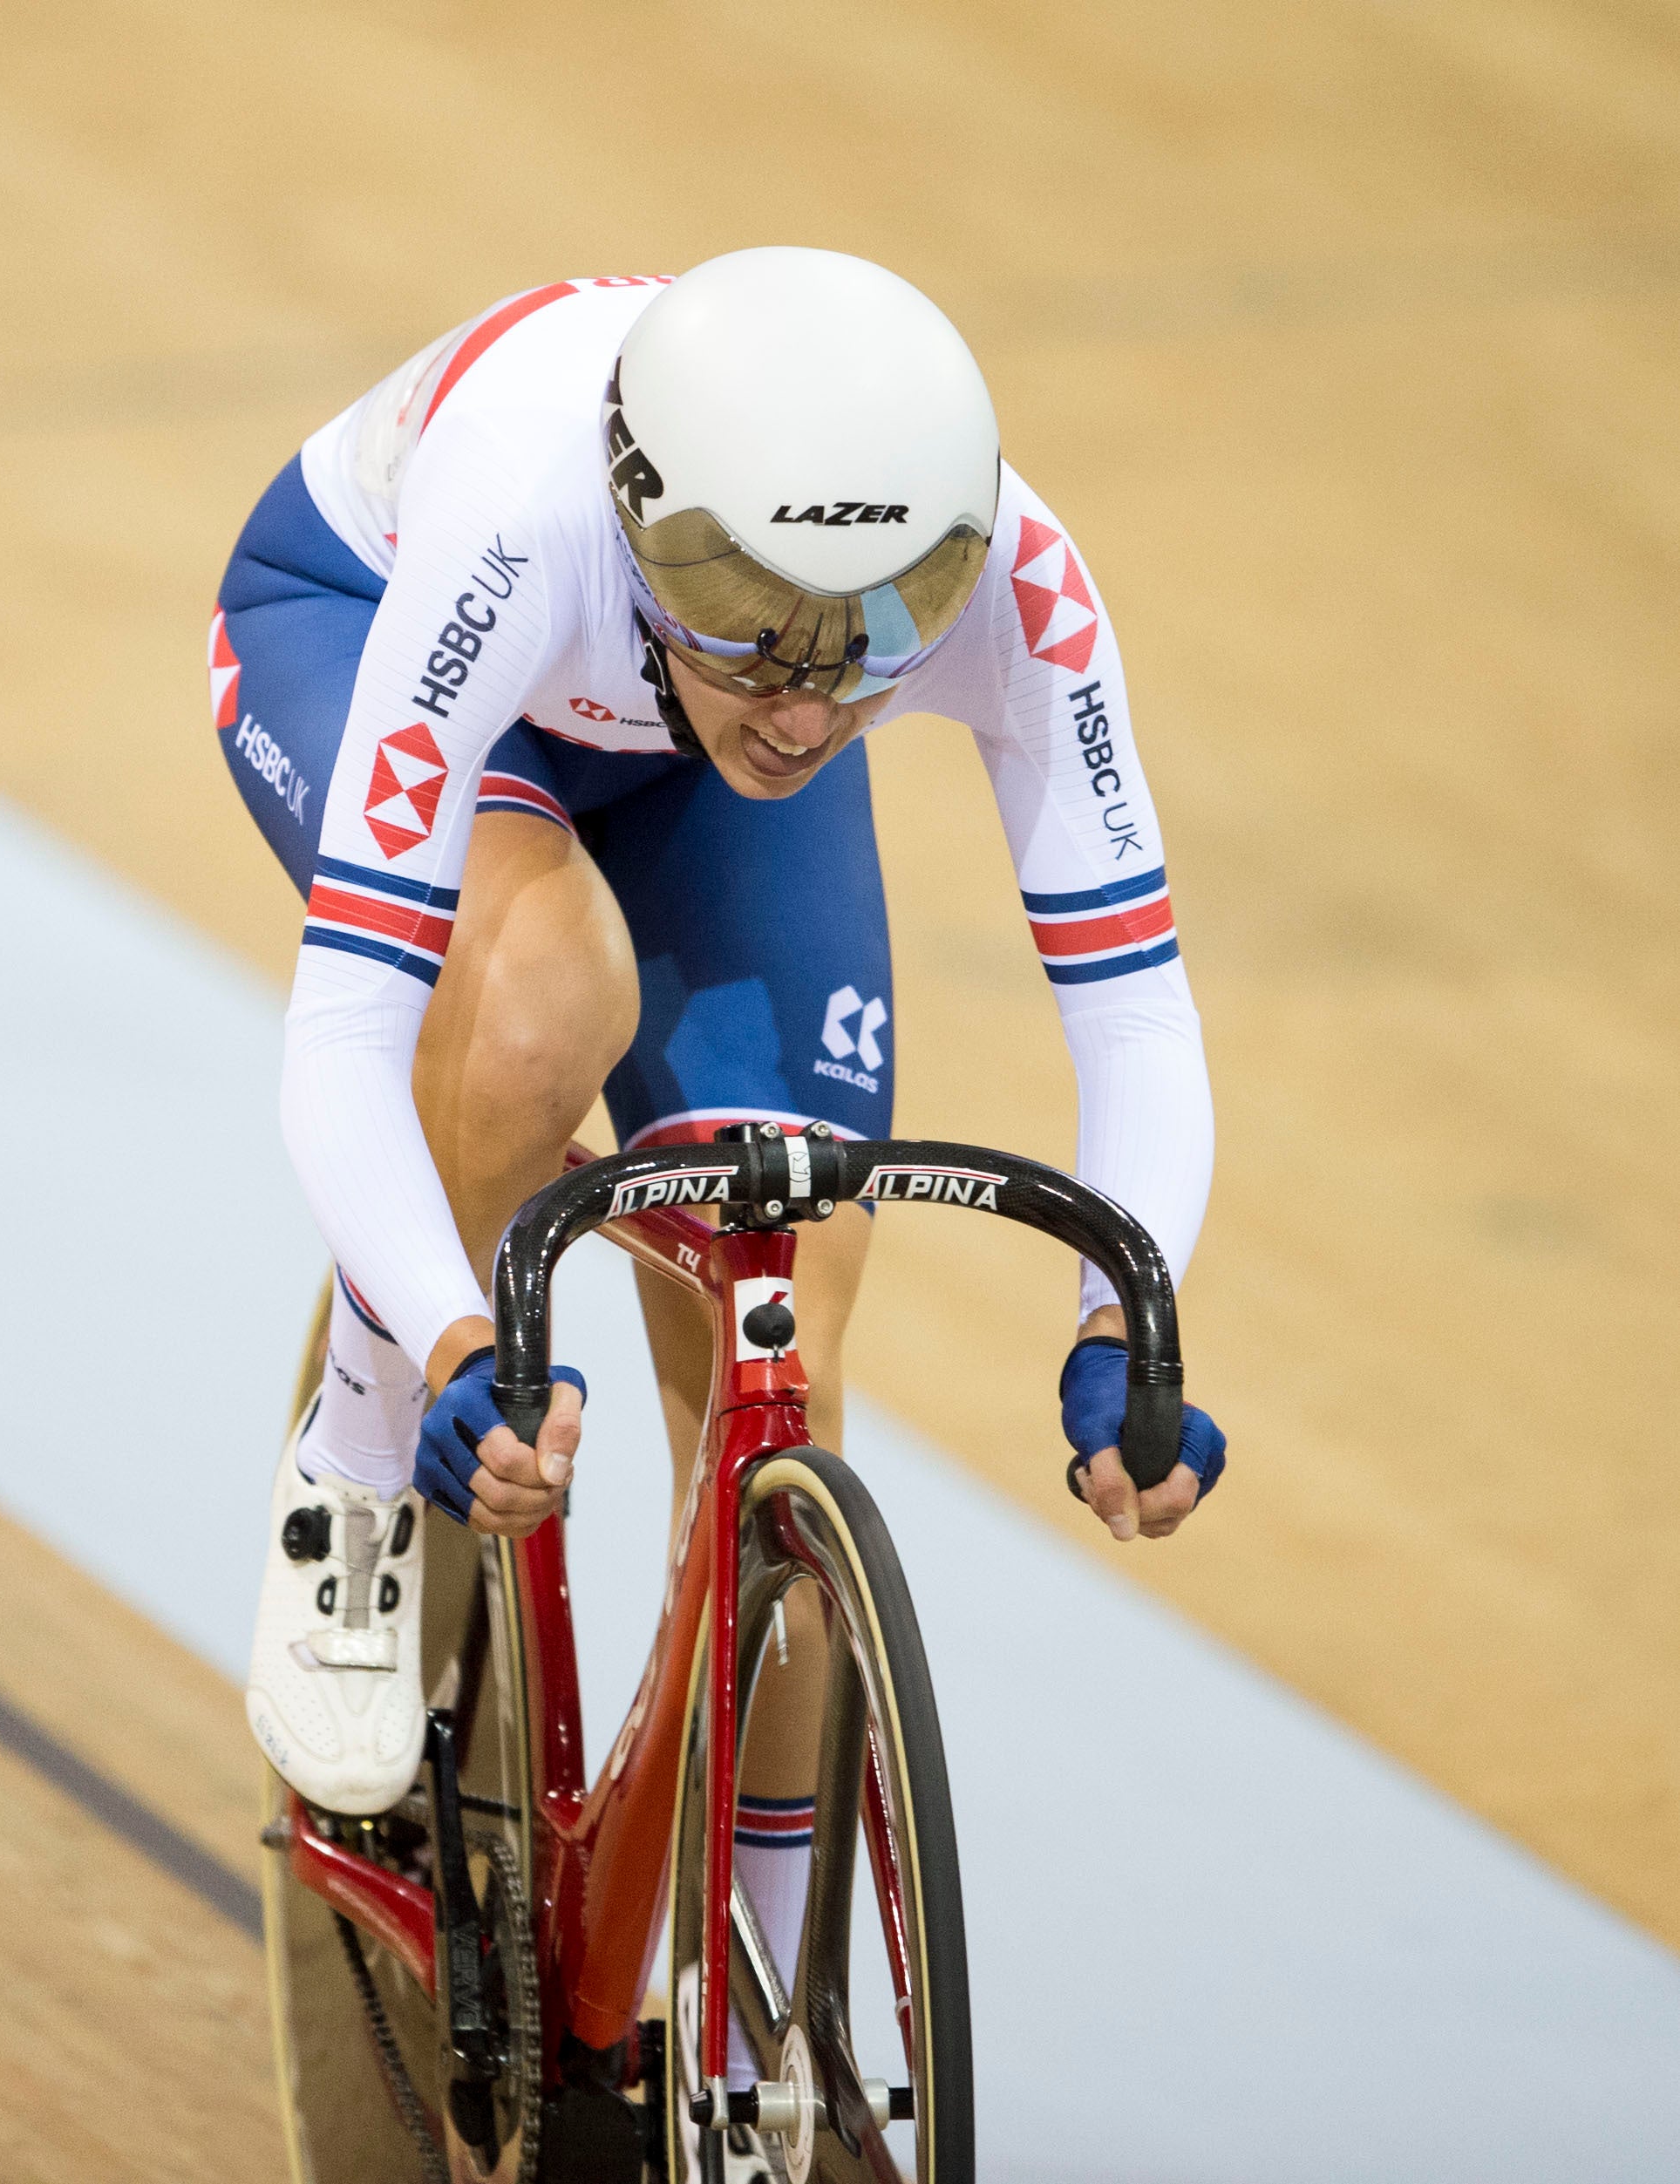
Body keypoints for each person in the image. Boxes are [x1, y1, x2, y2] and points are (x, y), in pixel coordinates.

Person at [217, 245, 1223, 2132]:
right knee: (535, 1009)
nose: (810, 696)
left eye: (865, 631)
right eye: (748, 609)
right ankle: (349, 1475)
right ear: (643, 513)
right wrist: (441, 1339)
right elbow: (343, 1041)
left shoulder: (980, 589)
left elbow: (1144, 1025)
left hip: (660, 753)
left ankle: (757, 2021)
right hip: (366, 621)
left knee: (791, 1291)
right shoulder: (519, 510)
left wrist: (1124, 1316)